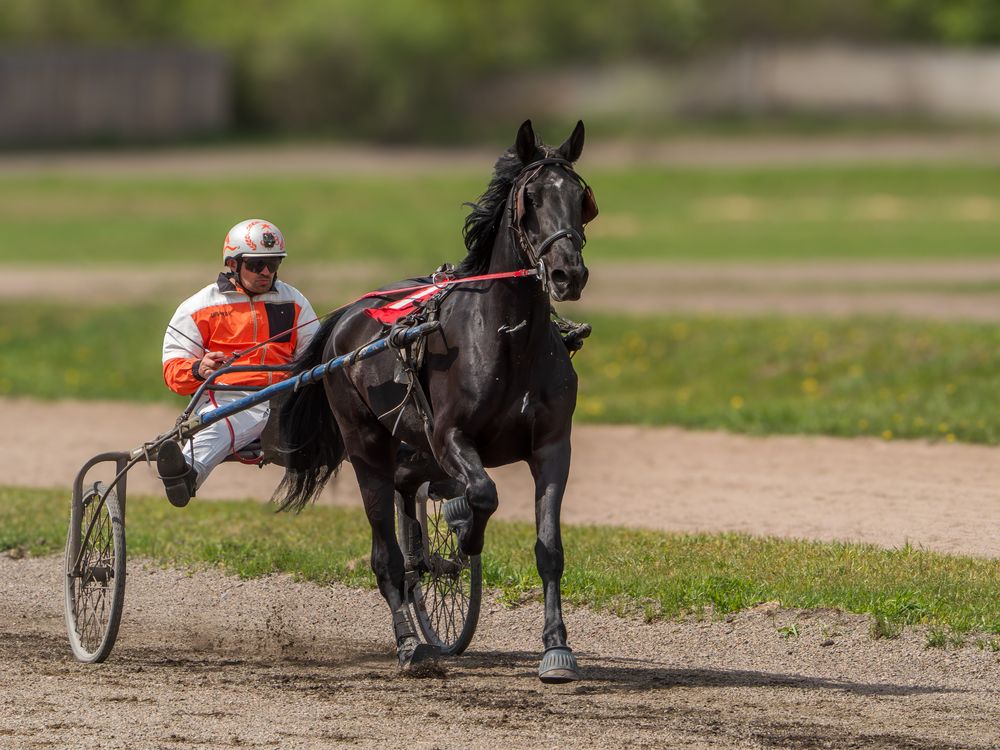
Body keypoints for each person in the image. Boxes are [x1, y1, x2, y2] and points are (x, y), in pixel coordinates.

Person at [158, 219, 319, 507]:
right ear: (233, 264)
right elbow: (173, 371)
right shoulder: (198, 307)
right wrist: (198, 369)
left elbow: (315, 357)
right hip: (227, 398)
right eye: (257, 265)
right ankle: (186, 474)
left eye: (274, 263)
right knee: (228, 420)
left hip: (286, 399)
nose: (266, 272)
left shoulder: (295, 302)